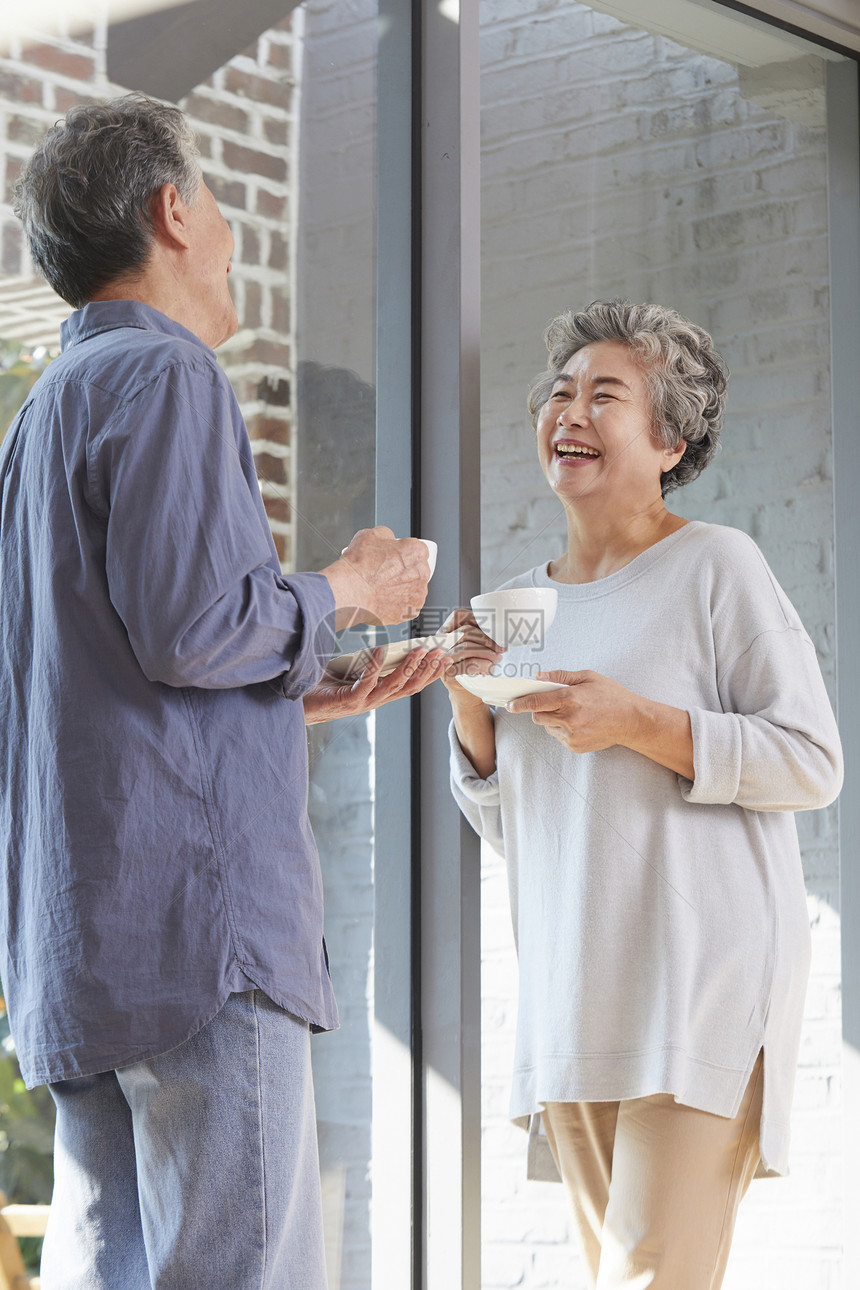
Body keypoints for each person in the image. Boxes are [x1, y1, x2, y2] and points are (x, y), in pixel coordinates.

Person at [0, 93, 446, 1289]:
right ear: (172, 211)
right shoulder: (170, 378)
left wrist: (298, 692)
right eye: (216, 201)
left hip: (84, 949)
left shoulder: (41, 417)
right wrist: (351, 586)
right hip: (200, 942)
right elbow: (198, 626)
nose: (232, 232)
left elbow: (99, 676)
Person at [443, 300, 843, 1289]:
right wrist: (467, 706)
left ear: (668, 439)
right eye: (559, 391)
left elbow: (808, 761)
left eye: (602, 394)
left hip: (700, 993)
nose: (567, 409)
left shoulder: (716, 567)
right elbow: (525, 828)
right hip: (573, 1003)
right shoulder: (511, 611)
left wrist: (637, 721)